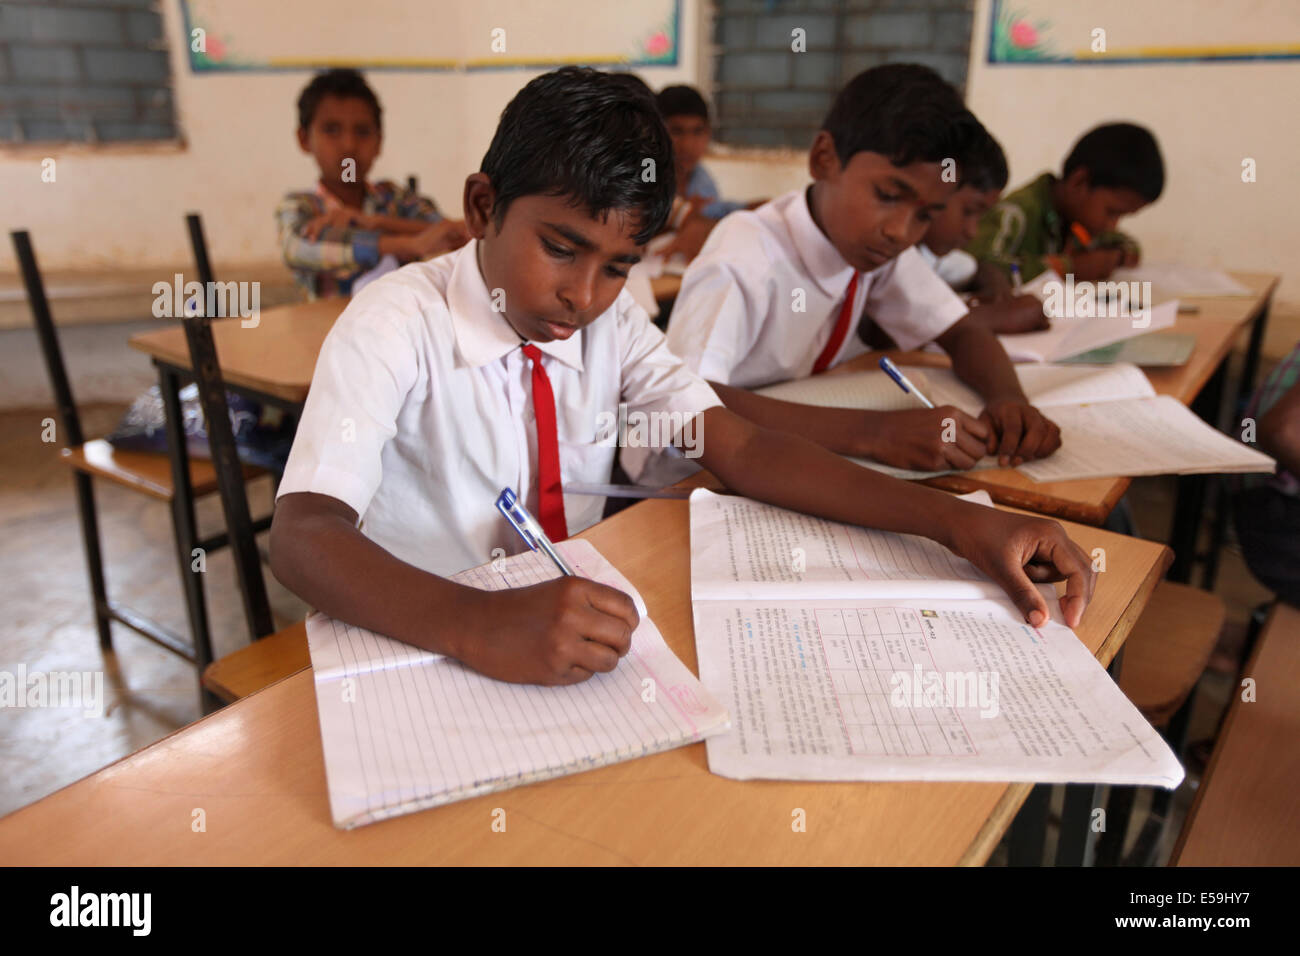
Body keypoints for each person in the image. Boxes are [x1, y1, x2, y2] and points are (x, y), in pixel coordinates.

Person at [269, 67, 1094, 687]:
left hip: (563, 613)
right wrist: (474, 621)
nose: (581, 295)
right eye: (560, 246)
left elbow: (743, 448)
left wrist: (957, 525)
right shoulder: (392, 325)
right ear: (483, 207)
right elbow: (303, 538)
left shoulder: (612, 323)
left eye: (619, 265)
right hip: (416, 633)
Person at [654, 64, 1060, 480]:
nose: (900, 232)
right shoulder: (744, 258)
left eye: (926, 215)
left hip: (783, 449)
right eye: (887, 195)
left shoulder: (872, 248)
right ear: (824, 159)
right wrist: (875, 433)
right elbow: (685, 406)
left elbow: (962, 331)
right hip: (684, 480)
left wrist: (1008, 399)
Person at [275, 68, 468, 299]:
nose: (348, 145)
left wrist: (374, 222)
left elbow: (454, 233)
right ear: (304, 139)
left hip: (401, 331)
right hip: (326, 332)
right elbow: (297, 249)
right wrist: (409, 245)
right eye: (332, 130)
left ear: (379, 142)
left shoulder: (395, 198)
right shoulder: (302, 207)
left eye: (363, 132)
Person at [966, 122, 1163, 284]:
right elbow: (980, 265)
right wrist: (1068, 267)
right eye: (1112, 212)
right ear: (1079, 182)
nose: (1112, 225)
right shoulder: (1015, 214)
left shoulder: (1077, 225)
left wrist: (1118, 256)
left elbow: (1127, 244)